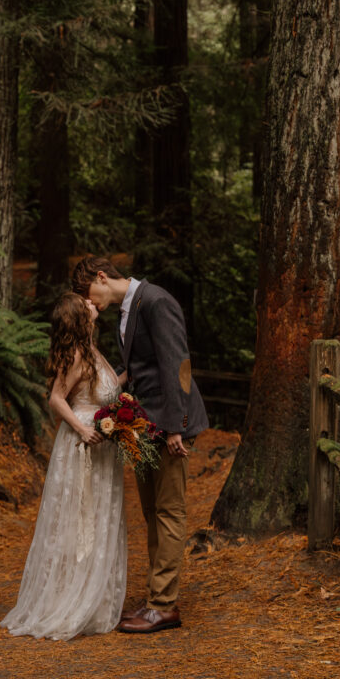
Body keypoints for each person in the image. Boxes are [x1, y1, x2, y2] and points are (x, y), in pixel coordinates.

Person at [72, 255, 209, 635]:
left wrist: (177, 426)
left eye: (88, 293)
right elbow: (139, 368)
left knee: (168, 511)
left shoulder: (155, 301)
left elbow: (176, 364)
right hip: (143, 424)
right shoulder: (128, 309)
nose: (91, 303)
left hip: (167, 424)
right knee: (151, 510)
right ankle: (157, 597)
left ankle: (163, 606)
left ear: (102, 276)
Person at [0, 292, 127, 640]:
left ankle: (95, 597)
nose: (91, 303)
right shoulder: (74, 356)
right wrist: (83, 428)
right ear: (77, 317)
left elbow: (108, 388)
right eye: (84, 304)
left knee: (98, 518)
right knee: (79, 519)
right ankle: (67, 598)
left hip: (102, 447)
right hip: (81, 446)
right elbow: (57, 398)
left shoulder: (91, 350)